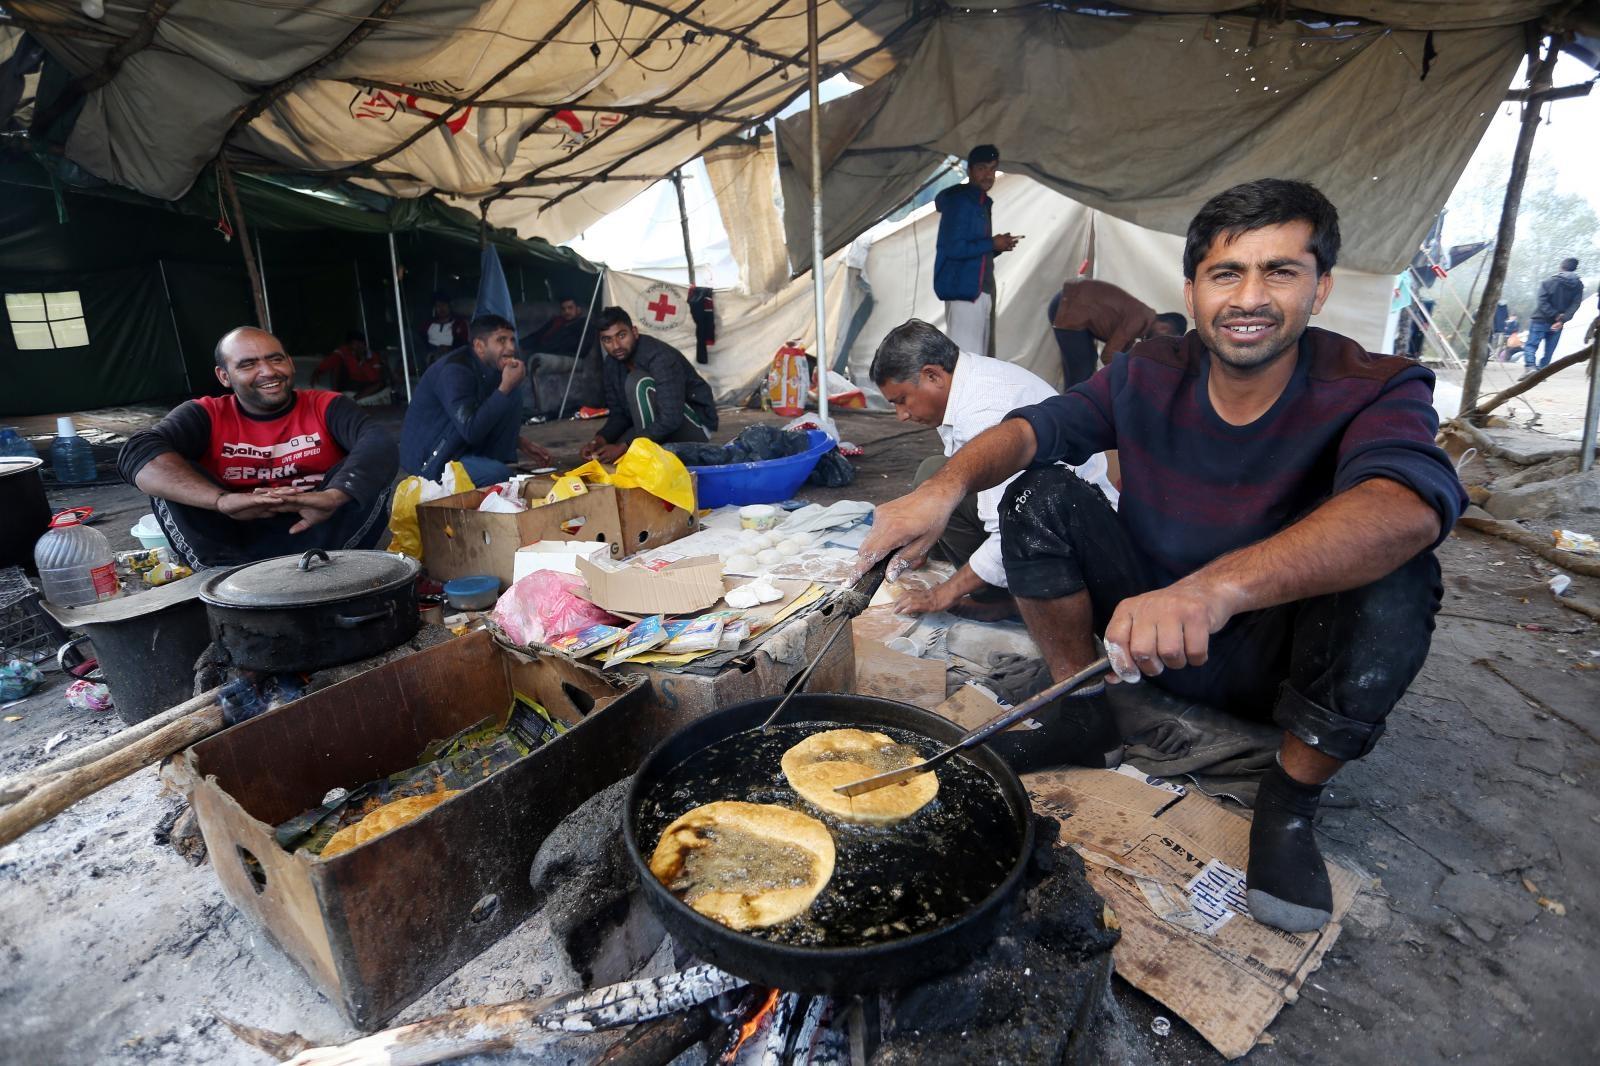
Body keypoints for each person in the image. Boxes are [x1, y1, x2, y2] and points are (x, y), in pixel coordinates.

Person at [858, 179, 1465, 934]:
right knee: (1035, 494)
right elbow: (1036, 429)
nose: (1250, 297)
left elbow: (1406, 505)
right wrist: (942, 489)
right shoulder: (1148, 371)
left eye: (1279, 271)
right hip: (1138, 636)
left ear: (1322, 285)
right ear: (1192, 288)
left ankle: (1289, 801)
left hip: (1272, 655)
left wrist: (1214, 590)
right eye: (1226, 273)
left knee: (1401, 572)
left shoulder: (1374, 386)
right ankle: (1079, 712)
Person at [869, 319, 1115, 618]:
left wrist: (941, 595)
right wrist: (920, 539)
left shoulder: (983, 411)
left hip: (1083, 529)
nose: (901, 416)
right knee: (933, 475)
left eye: (902, 401)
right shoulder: (963, 380)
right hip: (1056, 502)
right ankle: (999, 588)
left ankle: (1016, 601)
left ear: (932, 375)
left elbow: (1006, 533)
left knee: (948, 490)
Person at [118, 327, 398, 569]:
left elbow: (377, 443)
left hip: (321, 530)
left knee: (370, 468)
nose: (268, 372)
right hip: (234, 543)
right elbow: (136, 453)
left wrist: (334, 496)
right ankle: (221, 582)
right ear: (224, 376)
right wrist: (221, 501)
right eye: (248, 364)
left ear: (290, 362)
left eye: (276, 359)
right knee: (168, 479)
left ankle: (340, 571)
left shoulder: (326, 405)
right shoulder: (205, 414)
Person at [399, 314, 552, 485]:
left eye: (511, 340)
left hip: (460, 445)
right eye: (501, 340)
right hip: (432, 461)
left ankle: (495, 463)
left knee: (512, 394)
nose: (510, 348)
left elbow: (480, 414)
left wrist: (520, 442)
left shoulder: (488, 366)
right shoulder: (455, 372)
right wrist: (505, 388)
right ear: (479, 346)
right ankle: (492, 470)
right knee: (500, 476)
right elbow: (471, 429)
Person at [582, 307, 717, 464]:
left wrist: (625, 446)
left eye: (621, 335)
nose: (616, 345)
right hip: (660, 423)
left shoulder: (659, 357)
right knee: (606, 455)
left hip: (694, 426)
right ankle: (642, 451)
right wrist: (599, 440)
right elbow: (619, 414)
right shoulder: (611, 363)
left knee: (638, 382)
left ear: (635, 332)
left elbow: (671, 418)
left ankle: (648, 458)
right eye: (607, 340)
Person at [934, 145, 1021, 358]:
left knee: (975, 360)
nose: (988, 175)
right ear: (969, 170)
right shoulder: (962, 202)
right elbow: (954, 248)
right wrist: (991, 244)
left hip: (976, 290)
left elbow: (969, 250)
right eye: (982, 168)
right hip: (966, 292)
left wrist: (997, 248)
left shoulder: (978, 201)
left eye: (992, 169)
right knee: (967, 360)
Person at [1046, 280, 1157, 388]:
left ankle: (1072, 401)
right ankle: (1071, 404)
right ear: (1164, 328)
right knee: (1082, 372)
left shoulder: (1143, 319)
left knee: (1084, 368)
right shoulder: (1139, 319)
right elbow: (1107, 355)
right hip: (1069, 306)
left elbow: (1121, 352)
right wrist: (1126, 375)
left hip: (1072, 304)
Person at [1523, 257, 1585, 373]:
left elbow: (1542, 301)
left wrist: (1554, 314)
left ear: (1561, 267)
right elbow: (1575, 304)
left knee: (1531, 345)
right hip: (1559, 323)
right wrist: (1562, 319)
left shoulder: (1548, 282)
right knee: (1549, 350)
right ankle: (1542, 372)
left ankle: (1530, 367)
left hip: (1540, 319)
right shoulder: (1578, 286)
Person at [311, 331, 390, 403]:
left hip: (367, 384)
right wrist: (318, 371)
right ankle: (336, 396)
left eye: (359, 345)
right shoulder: (344, 351)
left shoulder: (372, 356)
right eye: (353, 345)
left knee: (380, 383)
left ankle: (354, 400)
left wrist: (362, 361)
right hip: (350, 382)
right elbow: (330, 361)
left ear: (363, 345)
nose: (355, 348)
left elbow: (373, 378)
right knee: (337, 364)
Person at [421, 293, 469, 365]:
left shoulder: (458, 323)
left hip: (449, 352)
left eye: (444, 305)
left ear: (449, 306)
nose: (441, 308)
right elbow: (421, 339)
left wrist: (449, 348)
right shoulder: (428, 323)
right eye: (438, 306)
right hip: (429, 350)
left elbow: (463, 343)